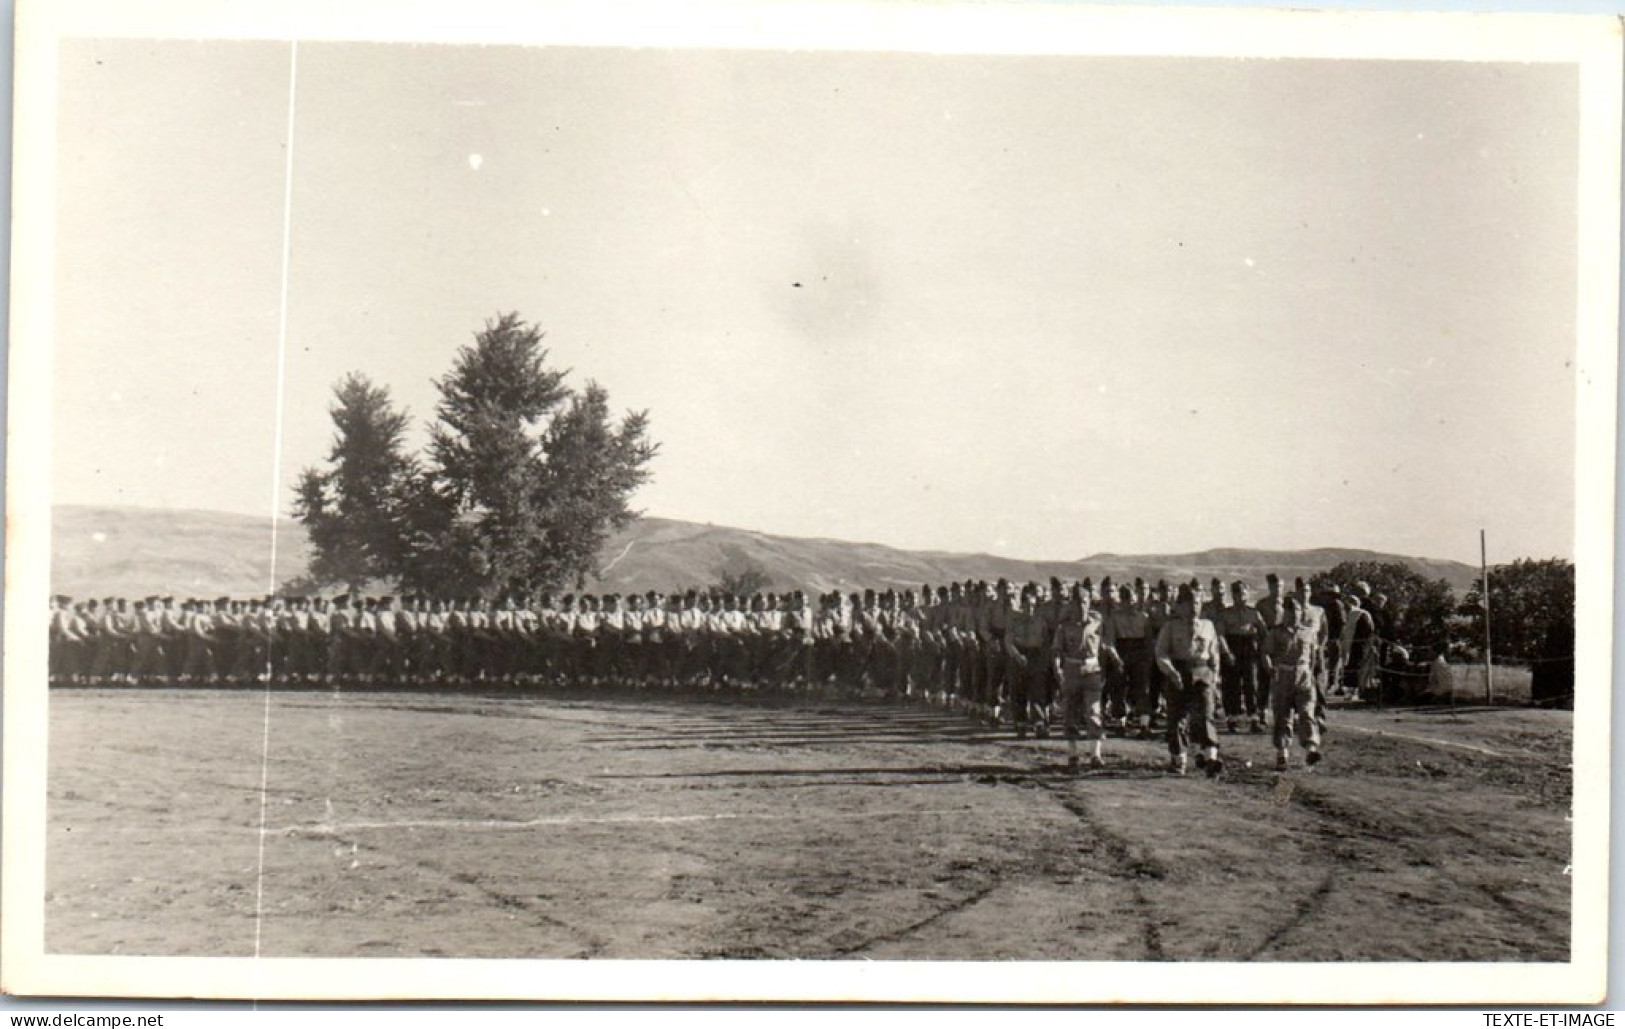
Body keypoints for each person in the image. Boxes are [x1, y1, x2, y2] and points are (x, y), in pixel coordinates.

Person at [1154, 583, 1227, 776]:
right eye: (1190, 603)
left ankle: (1211, 757)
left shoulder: (1208, 626)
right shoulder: (1170, 627)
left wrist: (1215, 678)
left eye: (1197, 602)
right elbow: (1161, 653)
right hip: (1178, 672)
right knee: (1177, 718)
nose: (1195, 607)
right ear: (1180, 606)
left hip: (1202, 673)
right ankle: (1179, 759)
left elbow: (1214, 655)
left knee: (1205, 714)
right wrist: (1171, 672)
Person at [1051, 586, 1108, 771]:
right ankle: (1073, 754)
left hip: (1092, 670)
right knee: (1070, 712)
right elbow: (1057, 650)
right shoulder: (1064, 626)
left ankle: (1095, 755)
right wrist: (1058, 668)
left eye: (1084, 602)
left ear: (1089, 602)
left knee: (1094, 711)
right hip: (1072, 670)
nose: (1081, 607)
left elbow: (1105, 646)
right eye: (1077, 604)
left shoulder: (1098, 622)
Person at [1263, 596, 1323, 770]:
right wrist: (1270, 667)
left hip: (1304, 677)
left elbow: (1312, 656)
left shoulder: (1308, 632)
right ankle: (1282, 753)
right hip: (1283, 676)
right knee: (1282, 716)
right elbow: (1266, 652)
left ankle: (1311, 750)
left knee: (1307, 713)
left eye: (1298, 612)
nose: (1296, 615)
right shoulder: (1275, 632)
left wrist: (1311, 674)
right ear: (1285, 613)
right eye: (1292, 612)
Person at [1216, 581, 1269, 733]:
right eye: (1237, 594)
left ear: (1247, 594)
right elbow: (1220, 635)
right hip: (1232, 648)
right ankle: (1232, 719)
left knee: (1251, 684)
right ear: (1233, 595)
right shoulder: (1225, 614)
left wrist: (1262, 650)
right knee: (1231, 685)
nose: (1241, 596)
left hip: (1249, 650)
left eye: (1243, 593)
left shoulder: (1253, 613)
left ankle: (1253, 718)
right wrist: (1226, 652)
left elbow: (1264, 632)